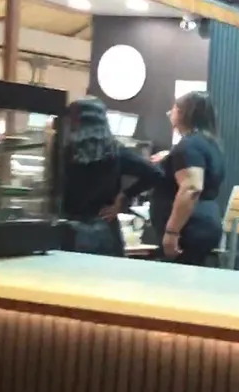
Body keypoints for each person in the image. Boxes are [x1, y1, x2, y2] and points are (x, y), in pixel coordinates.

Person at [60, 97, 162, 256]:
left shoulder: (65, 151)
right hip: (105, 229)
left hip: (69, 229)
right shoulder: (115, 151)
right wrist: (124, 197)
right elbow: (155, 173)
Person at [151, 91, 225, 266]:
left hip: (188, 228)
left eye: (173, 109)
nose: (170, 113)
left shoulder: (189, 146)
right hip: (204, 222)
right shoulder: (208, 144)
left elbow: (191, 188)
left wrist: (172, 231)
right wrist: (170, 156)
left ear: (182, 113)